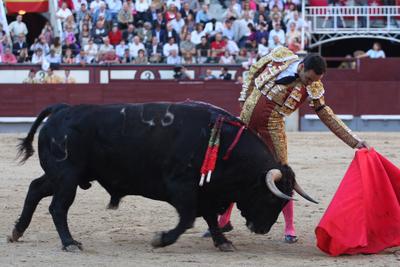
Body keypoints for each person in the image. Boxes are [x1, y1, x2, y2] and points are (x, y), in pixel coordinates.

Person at [207, 47, 370, 243]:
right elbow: (253, 71)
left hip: (272, 127)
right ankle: (224, 219)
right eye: (308, 78)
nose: (309, 83)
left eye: (313, 81)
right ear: (301, 67)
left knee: (283, 175)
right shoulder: (280, 56)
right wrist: (244, 98)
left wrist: (354, 141)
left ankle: (290, 226)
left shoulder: (314, 86)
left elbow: (326, 114)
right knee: (236, 168)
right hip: (247, 119)